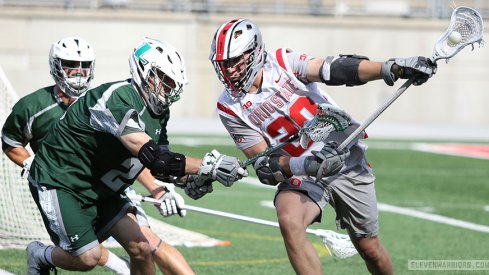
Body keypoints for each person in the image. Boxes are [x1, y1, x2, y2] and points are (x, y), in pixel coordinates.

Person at [203, 18, 437, 275]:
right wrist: (305, 164)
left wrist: (390, 68)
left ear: (255, 53)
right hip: (302, 171)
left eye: (235, 62)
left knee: (368, 246)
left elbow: (334, 69)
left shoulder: (281, 61)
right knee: (289, 220)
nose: (230, 71)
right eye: (224, 64)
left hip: (343, 155)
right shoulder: (228, 106)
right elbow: (264, 166)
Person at [20, 37, 247, 274]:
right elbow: (154, 157)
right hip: (62, 181)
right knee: (88, 258)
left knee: (143, 247)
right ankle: (40, 254)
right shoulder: (118, 97)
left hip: (101, 187)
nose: (171, 88)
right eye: (165, 80)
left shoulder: (158, 110)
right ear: (145, 73)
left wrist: (190, 180)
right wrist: (208, 165)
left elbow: (162, 165)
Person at [1, 36, 132, 274]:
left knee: (141, 236)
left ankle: (127, 264)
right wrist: (30, 162)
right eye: (71, 64)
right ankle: (44, 255)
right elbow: (10, 142)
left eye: (85, 65)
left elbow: (129, 146)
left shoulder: (103, 101)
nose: (79, 72)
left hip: (100, 184)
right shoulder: (33, 105)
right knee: (83, 250)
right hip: (60, 186)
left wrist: (155, 186)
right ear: (55, 65)